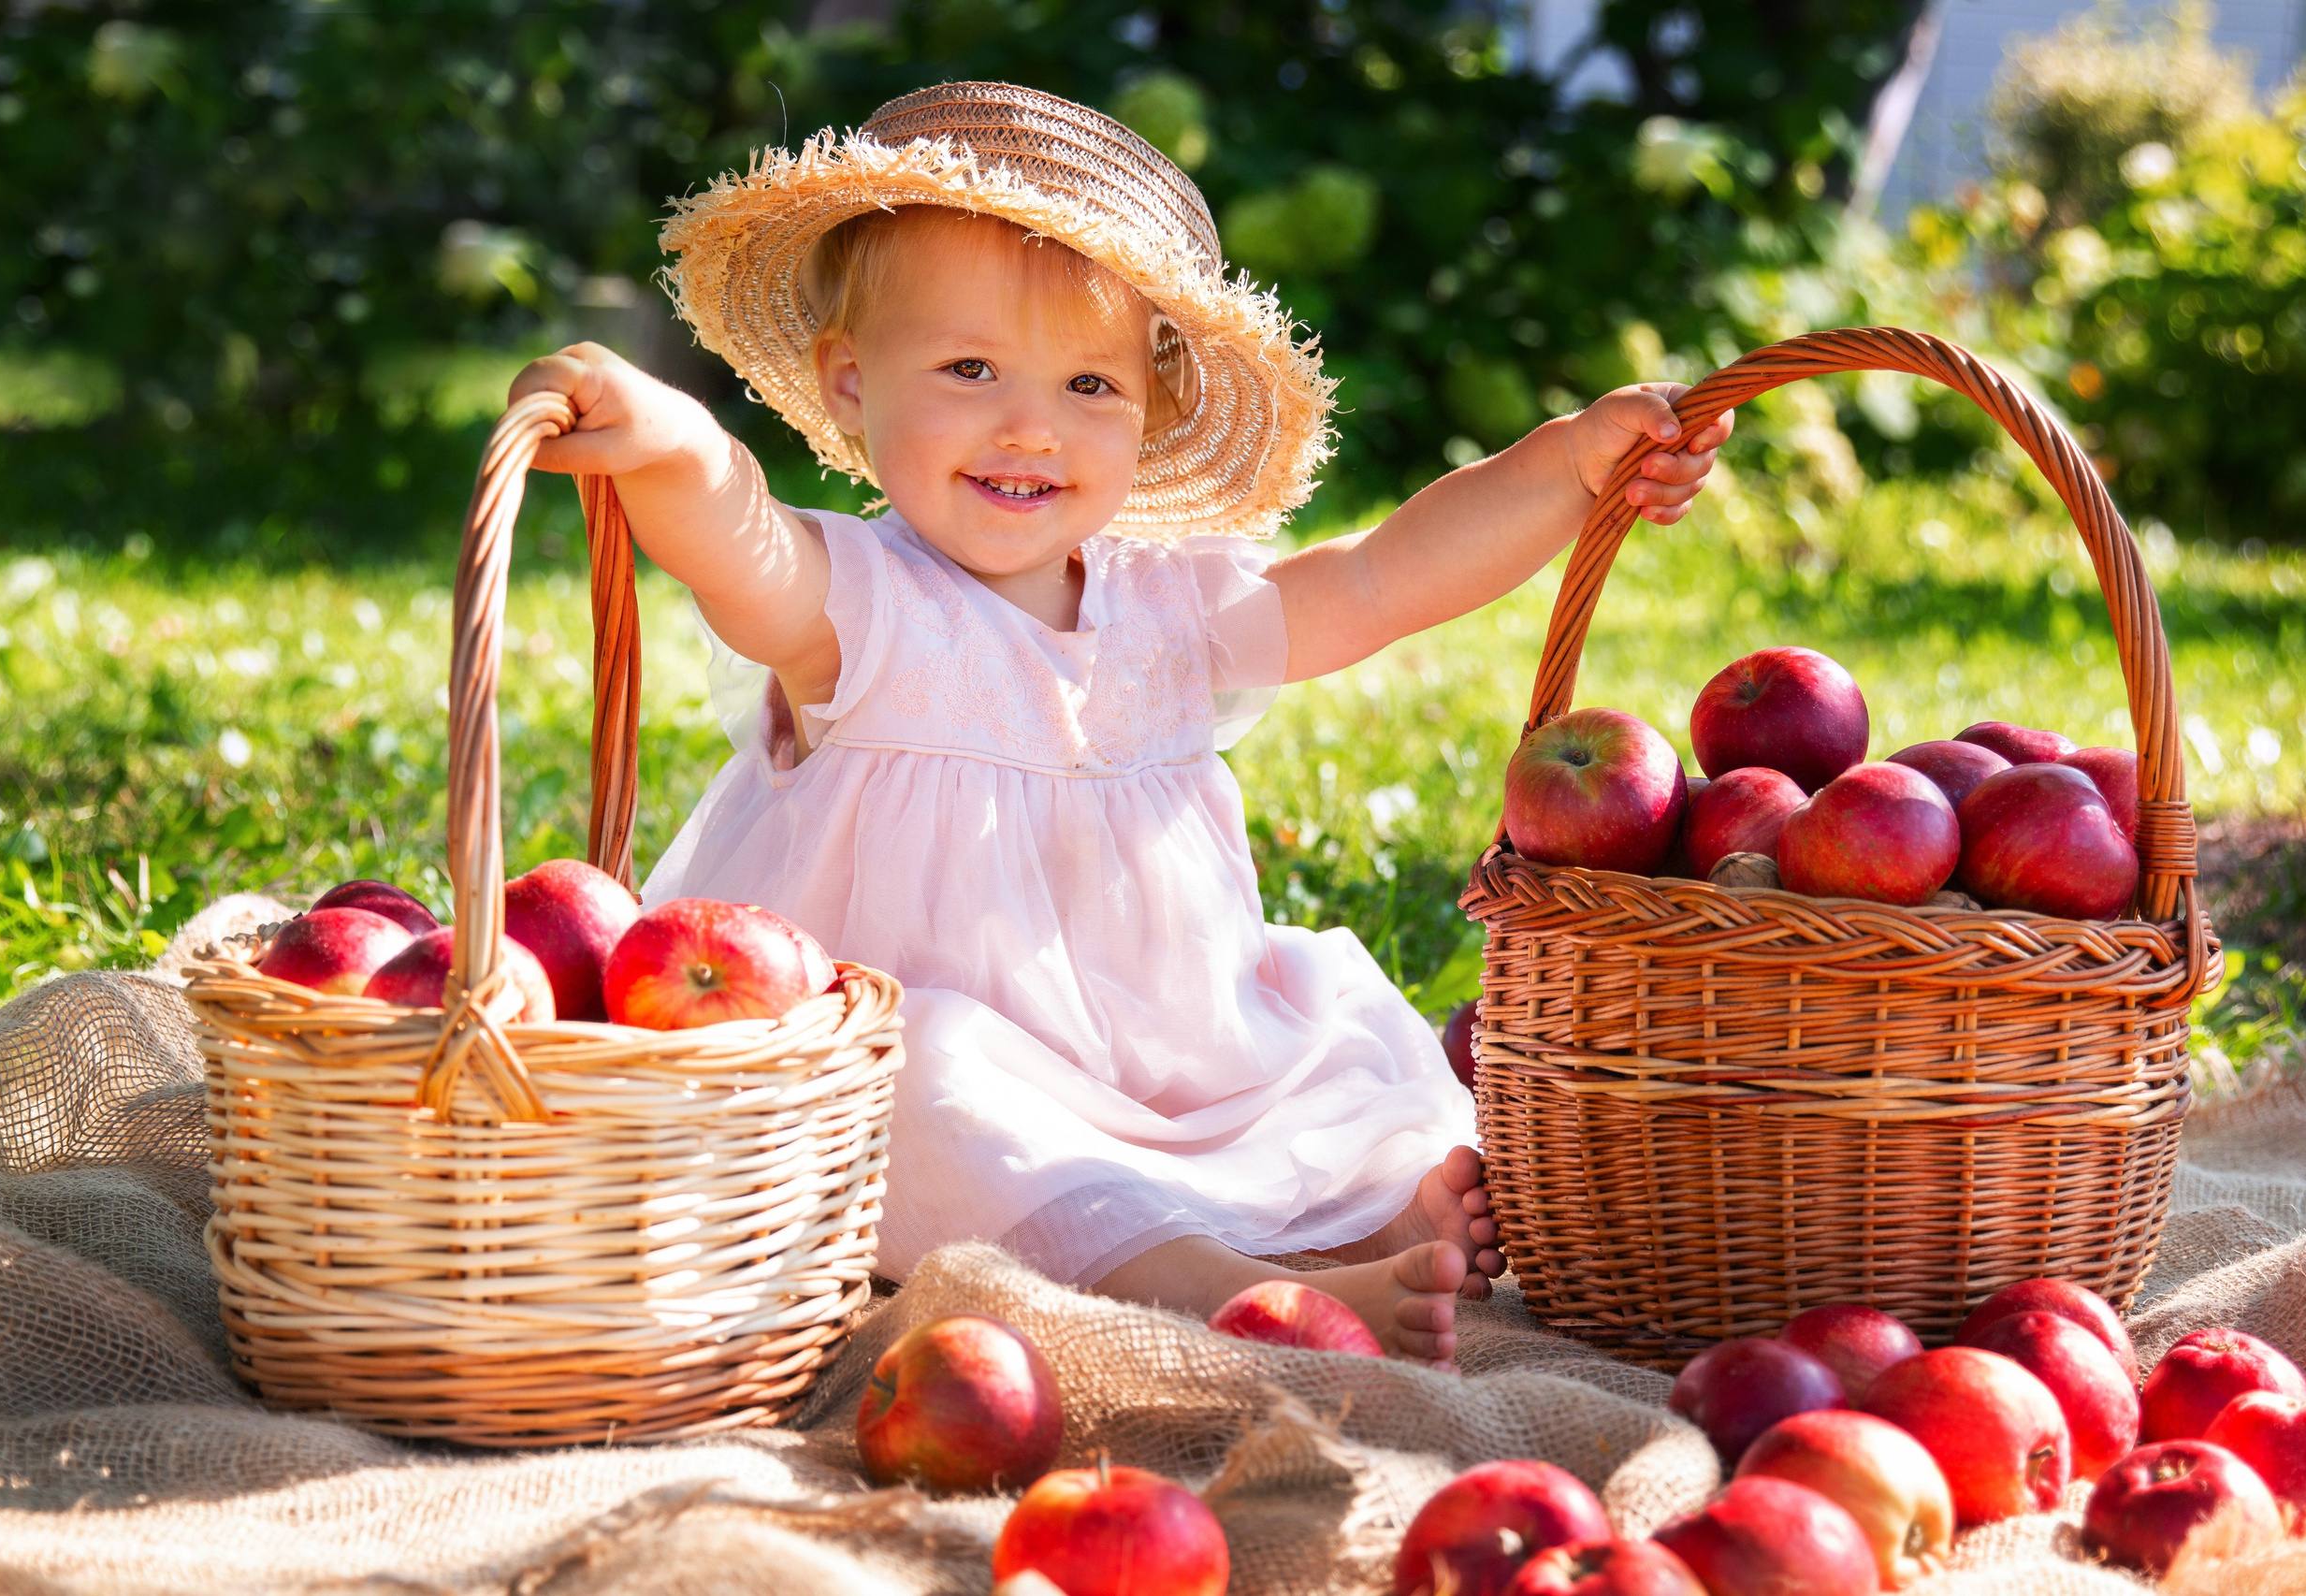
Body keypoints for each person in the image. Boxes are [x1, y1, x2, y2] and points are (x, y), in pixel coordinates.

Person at [512, 83, 1731, 1364]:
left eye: (1089, 382)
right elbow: (742, 548)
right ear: (851, 383)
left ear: (1147, 417)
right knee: (908, 1081)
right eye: (969, 369)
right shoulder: (861, 608)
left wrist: (1560, 468)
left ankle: (1360, 1224)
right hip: (975, 1105)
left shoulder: (1169, 606)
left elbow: (1382, 578)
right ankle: (1223, 1289)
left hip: (1175, 1075)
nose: (1030, 426)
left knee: (1339, 1034)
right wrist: (670, 449)